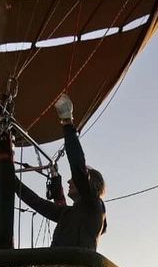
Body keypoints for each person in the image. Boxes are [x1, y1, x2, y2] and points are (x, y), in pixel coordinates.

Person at [13, 95, 107, 251]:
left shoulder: (94, 206)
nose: (70, 182)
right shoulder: (67, 214)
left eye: (73, 180)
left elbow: (78, 169)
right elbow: (36, 202)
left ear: (92, 183)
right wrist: (9, 176)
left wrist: (67, 123)